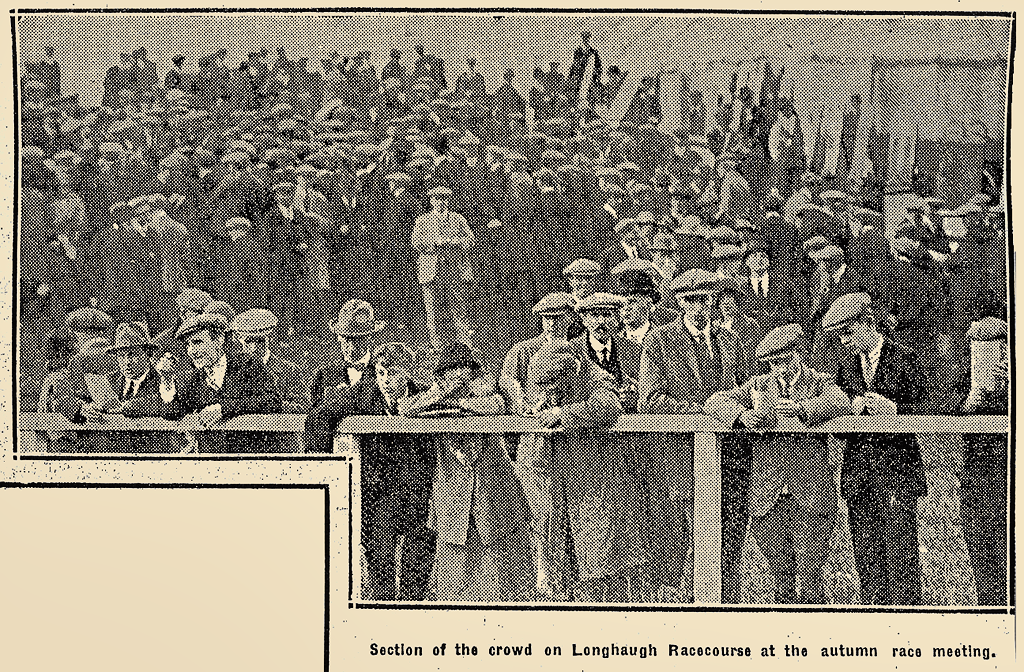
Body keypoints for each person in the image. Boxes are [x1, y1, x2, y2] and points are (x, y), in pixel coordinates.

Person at [705, 323, 850, 603]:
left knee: (810, 576)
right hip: (767, 497)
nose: (780, 368)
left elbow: (840, 401)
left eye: (785, 360)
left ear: (799, 353)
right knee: (781, 577)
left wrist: (803, 409)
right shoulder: (758, 385)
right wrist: (739, 416)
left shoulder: (820, 382)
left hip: (811, 495)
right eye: (773, 364)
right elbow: (715, 401)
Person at [638, 268, 750, 603]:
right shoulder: (660, 341)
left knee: (731, 537)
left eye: (703, 299)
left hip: (732, 454)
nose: (698, 308)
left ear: (713, 299)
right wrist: (707, 412)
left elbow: (745, 390)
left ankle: (727, 609)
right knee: (693, 540)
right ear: (680, 302)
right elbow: (650, 401)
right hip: (684, 458)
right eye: (690, 300)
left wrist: (734, 408)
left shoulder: (730, 341)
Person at [305, 341, 436, 600]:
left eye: (394, 373)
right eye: (380, 373)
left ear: (408, 372)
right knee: (380, 556)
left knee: (419, 551)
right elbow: (318, 417)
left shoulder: (426, 396)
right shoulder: (362, 395)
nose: (386, 380)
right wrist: (321, 467)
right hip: (380, 493)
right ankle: (380, 610)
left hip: (418, 489)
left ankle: (413, 608)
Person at [401, 342, 532, 602]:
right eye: (452, 370)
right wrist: (439, 394)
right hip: (453, 497)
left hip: (495, 493)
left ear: (473, 372)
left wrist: (462, 401)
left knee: (504, 568)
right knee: (455, 572)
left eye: (464, 368)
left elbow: (497, 405)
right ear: (442, 375)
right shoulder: (432, 400)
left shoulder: (488, 391)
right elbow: (405, 409)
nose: (459, 374)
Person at [821, 292, 927, 605]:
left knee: (900, 559)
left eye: (847, 333)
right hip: (858, 477)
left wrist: (896, 411)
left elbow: (931, 407)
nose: (843, 342)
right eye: (839, 336)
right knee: (867, 562)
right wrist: (846, 412)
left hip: (896, 474)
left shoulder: (904, 357)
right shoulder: (845, 368)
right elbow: (836, 425)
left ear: (868, 324)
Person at [524, 340, 641, 601]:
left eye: (553, 387)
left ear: (572, 371)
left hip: (598, 485)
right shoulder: (544, 377)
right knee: (569, 565)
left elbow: (609, 407)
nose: (547, 394)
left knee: (605, 564)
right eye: (542, 388)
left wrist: (562, 414)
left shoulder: (595, 377)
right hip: (562, 486)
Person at [155, 313, 281, 453]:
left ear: (219, 340)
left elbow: (272, 402)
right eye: (188, 345)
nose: (192, 351)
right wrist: (166, 380)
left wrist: (223, 409)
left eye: (197, 342)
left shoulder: (249, 365)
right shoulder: (196, 379)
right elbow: (172, 413)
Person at [957, 312, 1008, 606]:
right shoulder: (964, 377)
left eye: (992, 347)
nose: (985, 356)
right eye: (978, 348)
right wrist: (973, 397)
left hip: (1008, 474)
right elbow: (941, 404)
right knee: (982, 555)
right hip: (976, 476)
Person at [411, 186, 475, 348]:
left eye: (444, 199)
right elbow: (416, 242)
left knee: (459, 306)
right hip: (432, 270)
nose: (441, 202)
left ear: (448, 201)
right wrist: (435, 243)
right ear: (431, 201)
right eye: (437, 199)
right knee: (433, 308)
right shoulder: (423, 220)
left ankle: (464, 343)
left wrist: (455, 242)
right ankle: (437, 344)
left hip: (455, 268)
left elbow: (470, 240)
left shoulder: (458, 219)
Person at [306, 300, 388, 416]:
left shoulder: (384, 373)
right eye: (346, 339)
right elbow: (315, 417)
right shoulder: (323, 375)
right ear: (338, 337)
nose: (351, 347)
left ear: (370, 337)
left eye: (358, 339)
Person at [230, 308, 308, 413]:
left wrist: (270, 405)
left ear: (269, 339)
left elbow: (303, 407)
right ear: (240, 341)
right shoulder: (232, 371)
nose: (254, 348)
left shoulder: (290, 371)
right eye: (248, 341)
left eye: (259, 341)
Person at [561, 258, 601, 341]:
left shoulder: (602, 305)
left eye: (588, 278)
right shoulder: (563, 306)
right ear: (570, 280)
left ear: (595, 280)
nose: (584, 283)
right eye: (579, 278)